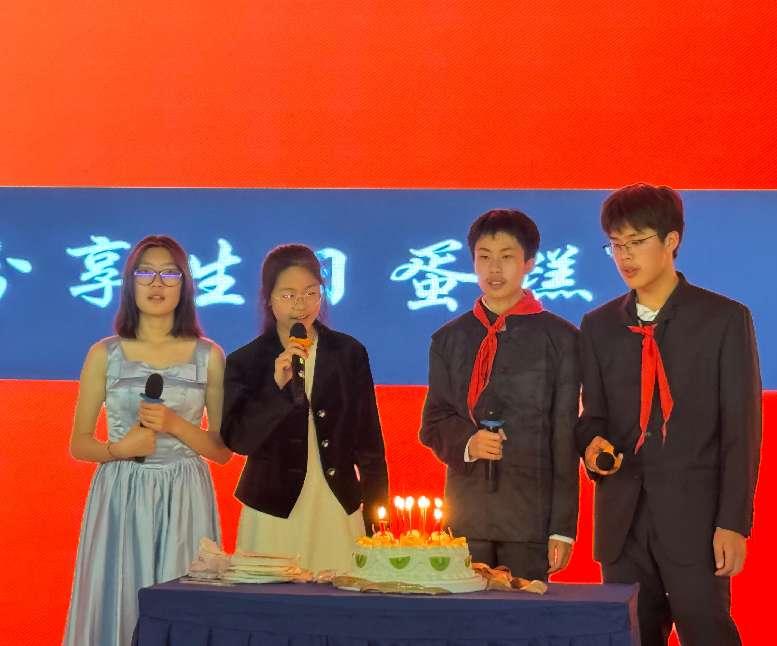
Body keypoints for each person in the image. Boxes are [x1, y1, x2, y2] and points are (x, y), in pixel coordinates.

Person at [576, 184, 762, 645]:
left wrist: (734, 523)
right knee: (629, 637)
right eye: (615, 245)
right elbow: (592, 417)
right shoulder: (598, 326)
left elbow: (741, 430)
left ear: (671, 240)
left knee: (709, 633)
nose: (625, 256)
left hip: (697, 523)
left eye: (637, 241)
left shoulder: (723, 319)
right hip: (622, 524)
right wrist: (591, 446)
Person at [64, 235, 231, 646]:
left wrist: (175, 424)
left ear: (185, 284)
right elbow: (79, 443)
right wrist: (118, 450)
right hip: (121, 491)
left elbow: (222, 451)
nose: (157, 284)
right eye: (146, 273)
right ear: (130, 283)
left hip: (185, 492)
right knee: (119, 601)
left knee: (184, 607)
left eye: (169, 274)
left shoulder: (209, 355)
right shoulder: (104, 354)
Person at [419, 209, 581, 582]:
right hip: (466, 514)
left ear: (529, 263)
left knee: (524, 614)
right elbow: (433, 422)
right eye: (484, 257)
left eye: (506, 257)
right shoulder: (449, 339)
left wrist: (562, 527)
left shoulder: (562, 339)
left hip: (530, 517)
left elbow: (565, 436)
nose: (494, 269)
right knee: (465, 613)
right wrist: (469, 442)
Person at [221, 243, 388, 572]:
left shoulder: (348, 353)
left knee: (339, 593)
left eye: (312, 293)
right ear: (268, 298)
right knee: (274, 596)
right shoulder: (246, 360)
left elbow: (369, 444)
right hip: (271, 510)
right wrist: (276, 388)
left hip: (336, 503)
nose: (301, 304)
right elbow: (238, 440)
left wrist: (379, 521)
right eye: (289, 295)